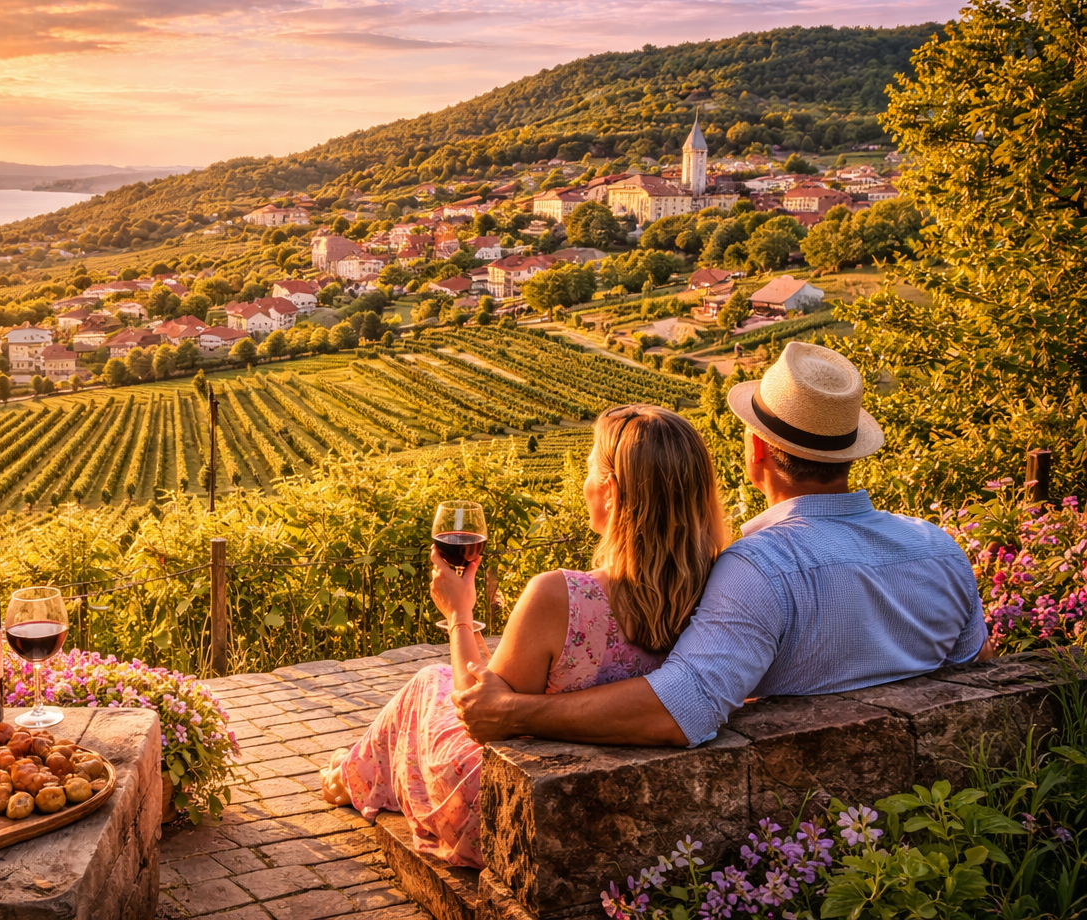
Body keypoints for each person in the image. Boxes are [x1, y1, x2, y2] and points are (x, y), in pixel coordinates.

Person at [453, 341, 992, 749]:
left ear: (756, 450)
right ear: (849, 454)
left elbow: (679, 711)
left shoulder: (760, 567)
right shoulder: (938, 547)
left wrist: (513, 712)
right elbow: (978, 666)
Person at [317, 406, 728, 867]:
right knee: (435, 682)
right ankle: (351, 773)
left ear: (611, 491)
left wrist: (459, 613)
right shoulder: (726, 587)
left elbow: (479, 715)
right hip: (628, 807)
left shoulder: (564, 596)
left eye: (590, 469)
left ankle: (349, 779)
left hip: (515, 813)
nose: (585, 484)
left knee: (429, 683)